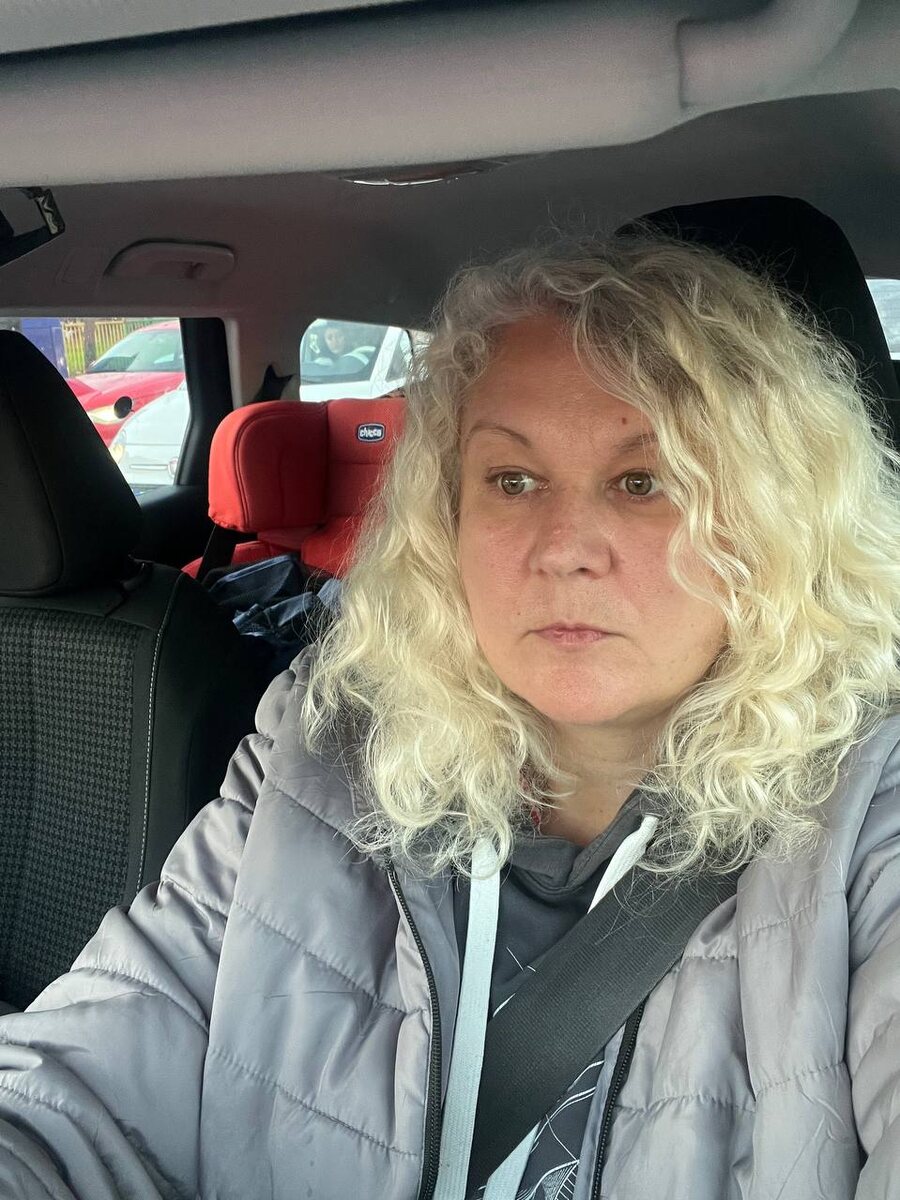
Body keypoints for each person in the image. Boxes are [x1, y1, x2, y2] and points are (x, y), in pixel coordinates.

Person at [2, 231, 900, 1200]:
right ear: (448, 519)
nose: (564, 547)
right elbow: (78, 1081)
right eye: (513, 480)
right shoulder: (321, 753)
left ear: (773, 522)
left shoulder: (866, 814)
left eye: (646, 482)